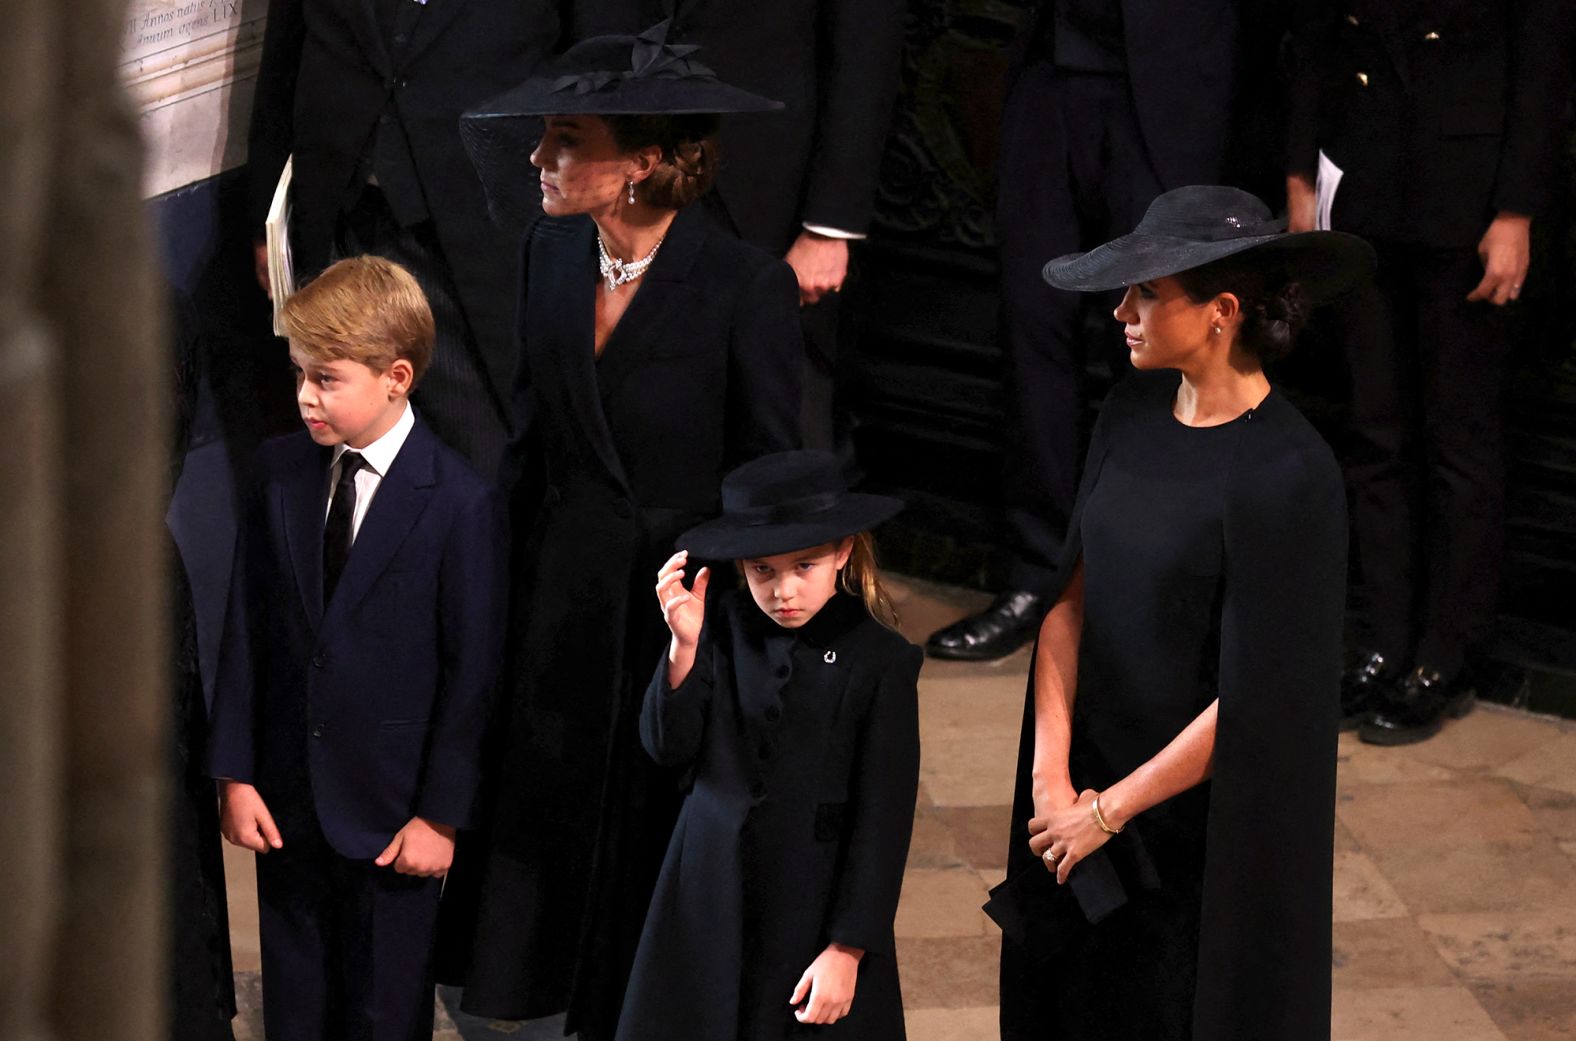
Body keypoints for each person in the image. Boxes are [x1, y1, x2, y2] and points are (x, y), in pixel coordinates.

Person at [437, 25, 803, 1041]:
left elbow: (768, 473)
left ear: (642, 160)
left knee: (639, 822)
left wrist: (730, 632)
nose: (536, 161)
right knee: (544, 801)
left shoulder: (743, 287)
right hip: (560, 588)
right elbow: (527, 438)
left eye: (562, 139)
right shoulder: (547, 254)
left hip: (670, 606)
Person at [995, 186, 1372, 1041]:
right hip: (1083, 792)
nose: (1120, 312)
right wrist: (1053, 780)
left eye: (1146, 294)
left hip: (1199, 829)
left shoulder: (1291, 473)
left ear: (1221, 312)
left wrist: (1110, 811)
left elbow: (1260, 698)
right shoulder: (1128, 411)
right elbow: (1068, 601)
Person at [207, 256, 508, 1041]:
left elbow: (471, 675)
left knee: (384, 1012)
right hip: (288, 802)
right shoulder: (277, 472)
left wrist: (440, 816)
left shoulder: (459, 501)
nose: (305, 395)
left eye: (327, 378)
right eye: (299, 373)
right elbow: (248, 631)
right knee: (296, 1010)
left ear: (397, 376)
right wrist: (236, 773)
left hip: (393, 814)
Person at [1285, 0, 1576, 743]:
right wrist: (1299, 180)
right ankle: (1385, 641)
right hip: (1361, 188)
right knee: (1376, 435)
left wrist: (1517, 214)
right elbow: (1310, 45)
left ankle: (1447, 653)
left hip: (1469, 205)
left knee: (1459, 444)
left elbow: (1542, 79)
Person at [927, 1, 1253, 662]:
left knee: (1158, 346)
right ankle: (1037, 581)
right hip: (1048, 76)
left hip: (1170, 90)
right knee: (1032, 333)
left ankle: (1152, 594)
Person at [618, 450, 920, 1041]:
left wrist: (848, 947)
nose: (784, 590)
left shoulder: (881, 661)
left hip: (807, 904)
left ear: (843, 553)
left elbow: (883, 817)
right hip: (705, 889)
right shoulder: (717, 628)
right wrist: (683, 647)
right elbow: (665, 748)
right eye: (763, 571)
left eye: (803, 566)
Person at [571, 0, 905, 453]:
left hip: (768, 197)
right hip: (613, 169)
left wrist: (829, 227)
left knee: (781, 448)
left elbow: (867, 48)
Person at [245, 0, 562, 475]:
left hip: (484, 223)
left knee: (479, 448)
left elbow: (600, 52)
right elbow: (283, 58)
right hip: (339, 210)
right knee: (348, 450)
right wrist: (263, 221)